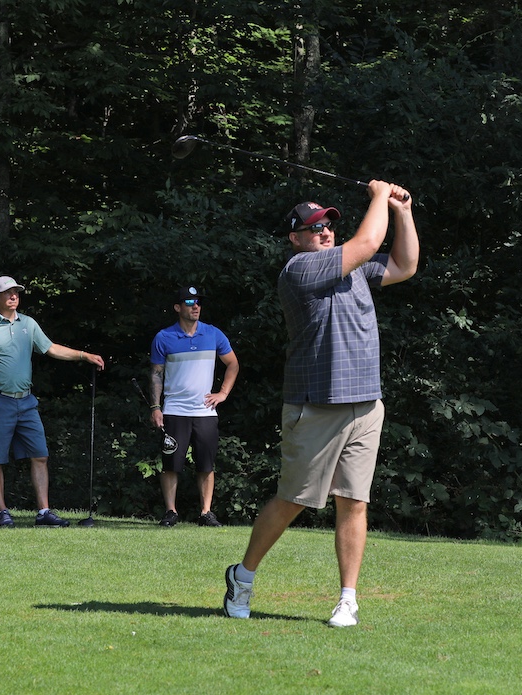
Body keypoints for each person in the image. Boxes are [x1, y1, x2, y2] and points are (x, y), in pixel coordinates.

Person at [222, 182, 419, 627]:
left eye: (329, 225)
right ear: (296, 239)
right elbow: (368, 242)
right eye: (314, 228)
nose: (325, 232)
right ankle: (243, 575)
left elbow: (405, 265)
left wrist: (401, 211)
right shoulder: (299, 271)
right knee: (294, 499)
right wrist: (376, 197)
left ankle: (347, 598)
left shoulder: (356, 272)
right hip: (316, 406)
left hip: (366, 404)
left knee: (354, 501)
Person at [0, 275, 105, 527]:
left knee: (40, 455)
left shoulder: (28, 324)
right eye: (8, 292)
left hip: (27, 401)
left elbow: (51, 348)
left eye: (17, 292)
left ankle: (43, 512)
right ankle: (3, 512)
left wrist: (84, 355)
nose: (14, 296)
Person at [149, 286, 239, 527]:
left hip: (205, 412)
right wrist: (155, 407)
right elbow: (156, 374)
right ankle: (171, 512)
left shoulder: (213, 334)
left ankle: (206, 513)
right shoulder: (164, 337)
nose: (195, 306)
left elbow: (233, 364)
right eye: (189, 302)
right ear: (177, 307)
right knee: (171, 464)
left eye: (198, 302)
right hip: (174, 410)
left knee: (206, 464)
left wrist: (223, 393)